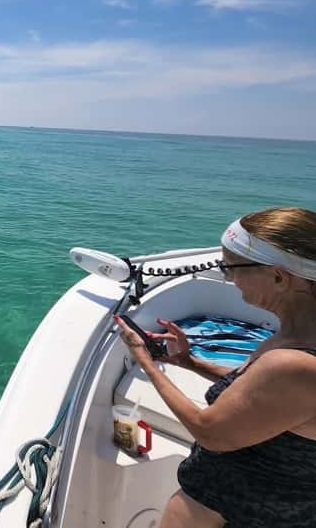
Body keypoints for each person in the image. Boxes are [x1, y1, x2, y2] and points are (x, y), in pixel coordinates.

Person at [114, 207, 316, 528]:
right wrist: (189, 362)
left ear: (279, 277)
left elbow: (209, 432)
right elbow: (262, 395)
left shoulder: (293, 363)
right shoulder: (297, 339)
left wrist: (145, 361)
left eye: (231, 268)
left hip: (235, 509)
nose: (229, 279)